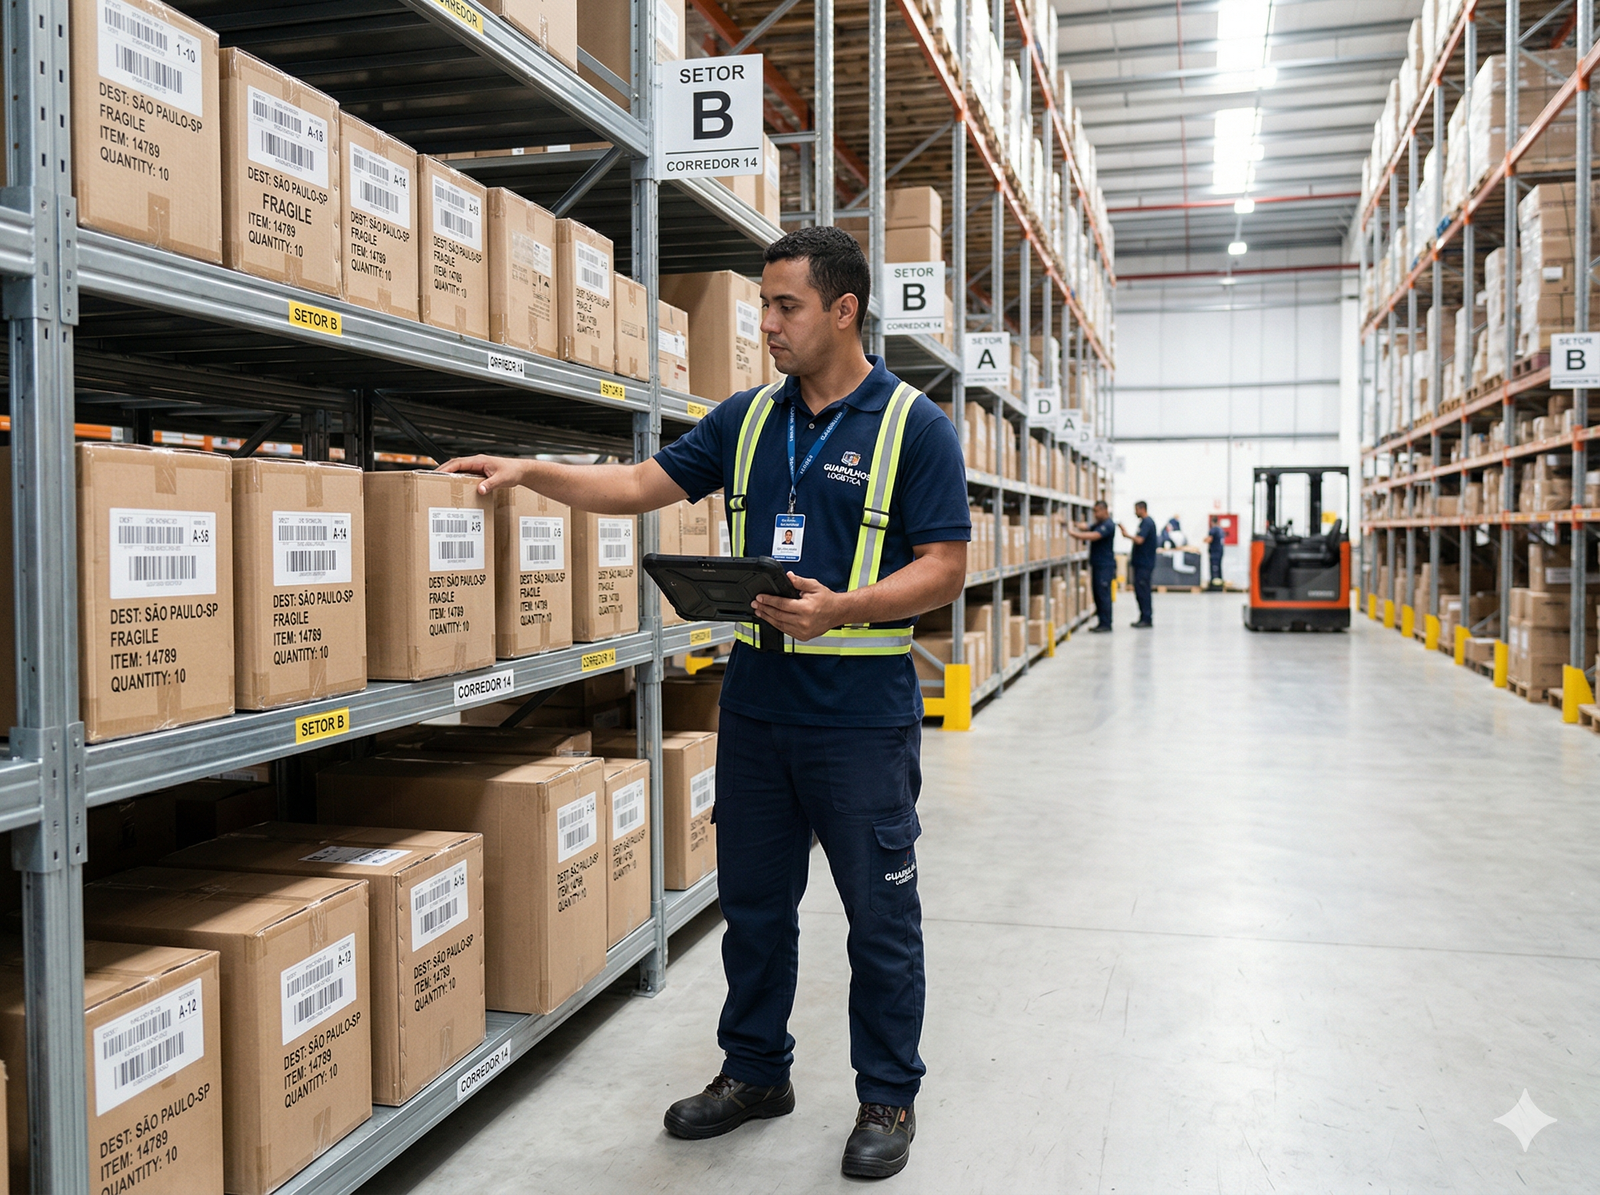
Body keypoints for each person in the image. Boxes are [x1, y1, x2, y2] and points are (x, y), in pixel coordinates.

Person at [441, 226, 969, 1181]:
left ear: (844, 310)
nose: (767, 323)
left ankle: (888, 1093)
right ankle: (756, 1072)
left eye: (786, 305)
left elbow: (944, 567)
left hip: (859, 716)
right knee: (756, 908)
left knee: (879, 919)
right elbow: (640, 483)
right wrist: (531, 472)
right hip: (758, 709)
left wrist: (843, 607)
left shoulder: (914, 427)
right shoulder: (748, 419)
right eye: (764, 304)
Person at [1068, 500, 1117, 631]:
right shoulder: (1099, 524)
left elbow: (1094, 535)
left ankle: (1106, 624)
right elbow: (1086, 526)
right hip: (1098, 565)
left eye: (1097, 511)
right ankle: (1102, 622)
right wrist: (1070, 524)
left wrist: (1074, 534)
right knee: (1097, 593)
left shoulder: (1108, 525)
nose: (1095, 514)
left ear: (1105, 510)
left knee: (1103, 594)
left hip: (1105, 566)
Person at [1118, 501, 1157, 628]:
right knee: (1140, 591)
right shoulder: (1144, 523)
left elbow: (1140, 540)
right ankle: (1143, 617)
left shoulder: (1147, 522)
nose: (1135, 512)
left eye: (1136, 510)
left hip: (1144, 564)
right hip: (1141, 563)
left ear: (1142, 509)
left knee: (1143, 591)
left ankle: (1146, 618)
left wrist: (1126, 535)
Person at [1207, 516, 1227, 587]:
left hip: (1214, 551)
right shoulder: (1221, 530)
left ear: (1212, 522)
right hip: (1220, 551)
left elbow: (1210, 539)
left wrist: (1204, 540)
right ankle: (1220, 582)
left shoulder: (1213, 530)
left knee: (1214, 568)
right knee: (1219, 567)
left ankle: (1215, 584)